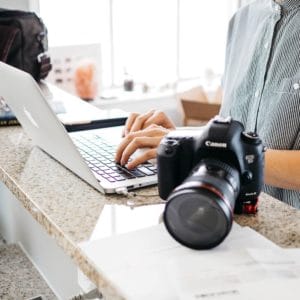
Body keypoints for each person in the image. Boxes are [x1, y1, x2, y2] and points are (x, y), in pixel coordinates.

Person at [115, 0, 300, 208]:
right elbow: (234, 133)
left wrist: (202, 151)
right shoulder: (241, 21)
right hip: (231, 214)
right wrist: (183, 140)